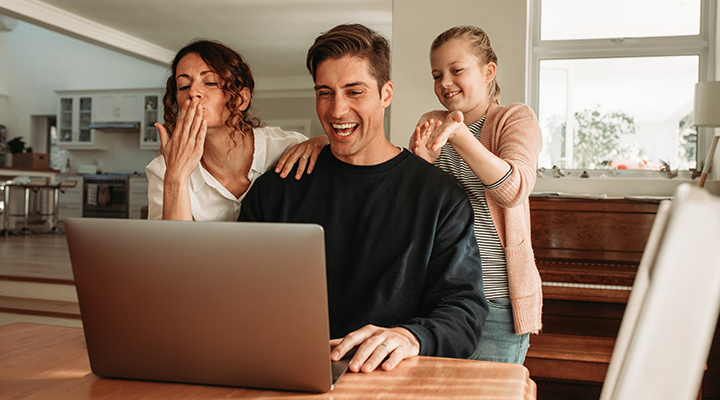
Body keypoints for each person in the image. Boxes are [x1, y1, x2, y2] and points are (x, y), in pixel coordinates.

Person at [239, 24, 488, 374]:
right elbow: (240, 293)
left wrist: (410, 337)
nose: (337, 110)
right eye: (325, 93)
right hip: (287, 371)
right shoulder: (277, 188)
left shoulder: (439, 196)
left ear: (386, 93)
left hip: (391, 378)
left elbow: (463, 311)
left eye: (354, 92)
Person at [410, 26, 543, 365]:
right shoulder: (431, 121)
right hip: (441, 300)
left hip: (498, 303)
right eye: (437, 75)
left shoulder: (514, 118)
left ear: (488, 72)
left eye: (456, 70)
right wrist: (421, 167)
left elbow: (513, 190)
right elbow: (421, 214)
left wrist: (460, 136)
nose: (444, 83)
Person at [145, 39, 327, 221]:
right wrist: (176, 177)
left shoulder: (288, 148)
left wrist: (324, 142)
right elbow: (172, 247)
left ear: (241, 99)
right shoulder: (163, 170)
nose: (193, 92)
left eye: (209, 82)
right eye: (184, 86)